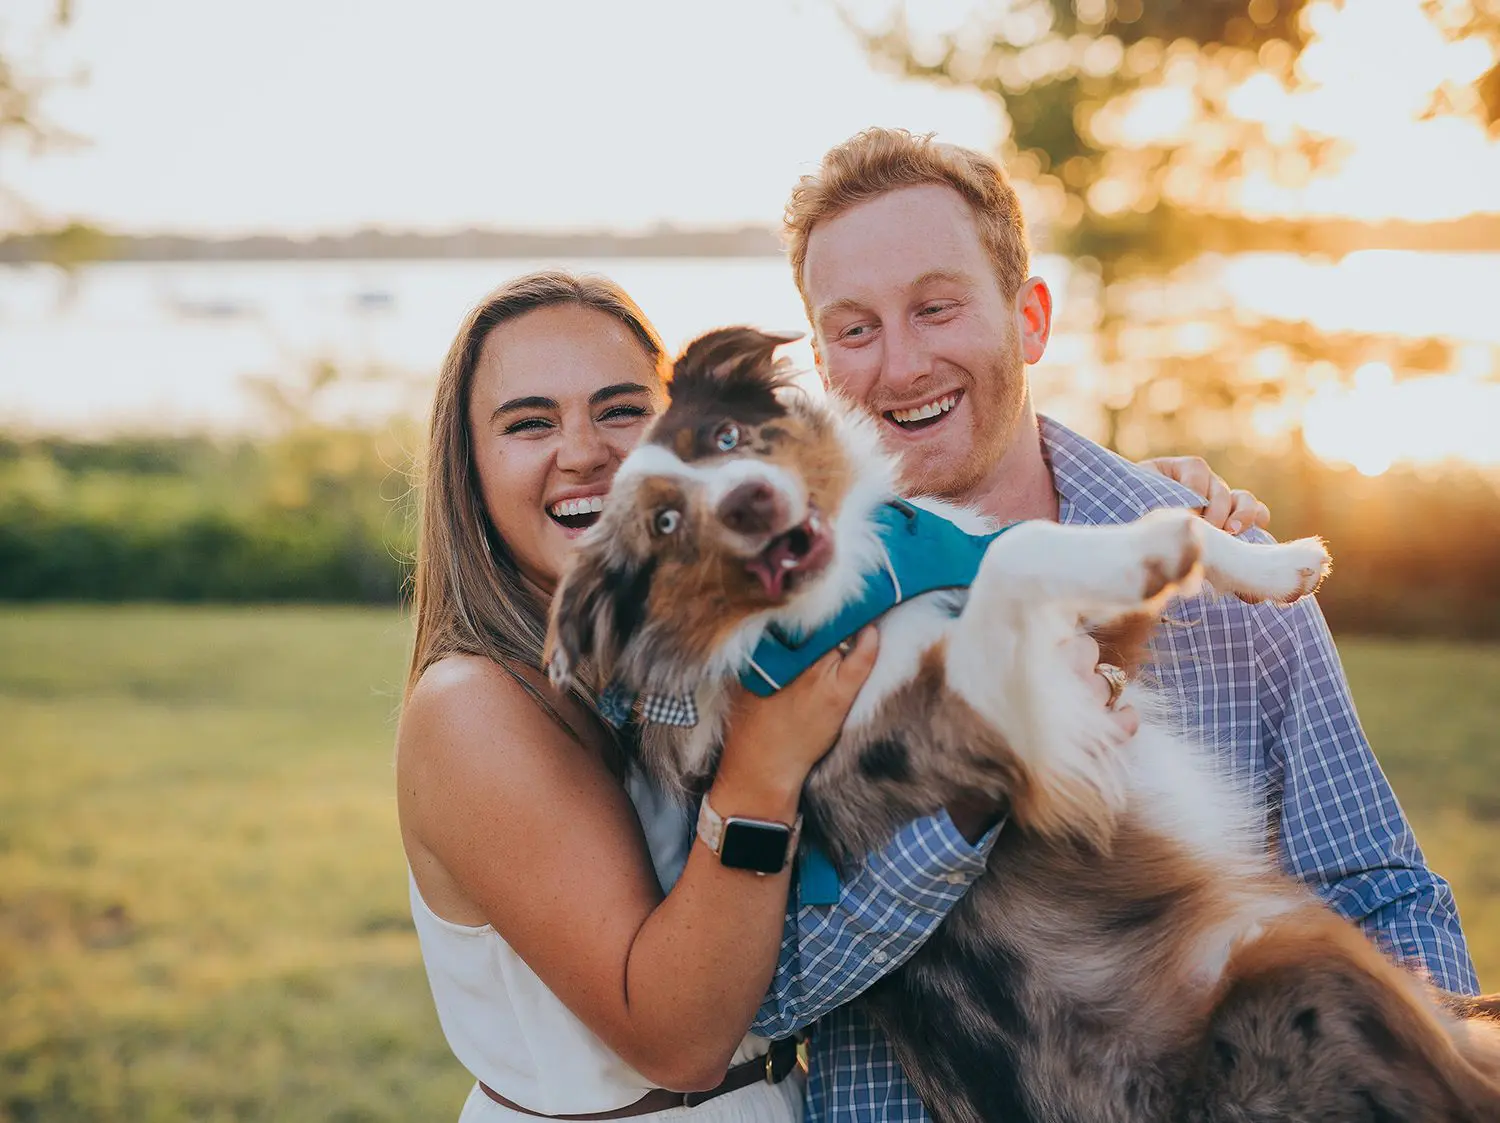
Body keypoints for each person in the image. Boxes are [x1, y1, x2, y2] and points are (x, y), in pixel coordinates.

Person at [395, 270, 1260, 1121]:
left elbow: (908, 565)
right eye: (528, 422)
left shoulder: (673, 668)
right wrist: (767, 771)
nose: (585, 452)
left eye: (622, 409)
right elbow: (676, 1038)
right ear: (468, 468)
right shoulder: (473, 705)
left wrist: (1133, 508)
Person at [743, 128, 1480, 1122]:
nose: (902, 363)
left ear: (1030, 318)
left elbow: (1380, 898)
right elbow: (759, 992)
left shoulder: (1225, 577)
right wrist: (974, 790)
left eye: (936, 306)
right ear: (820, 361)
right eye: (855, 328)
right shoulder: (791, 633)